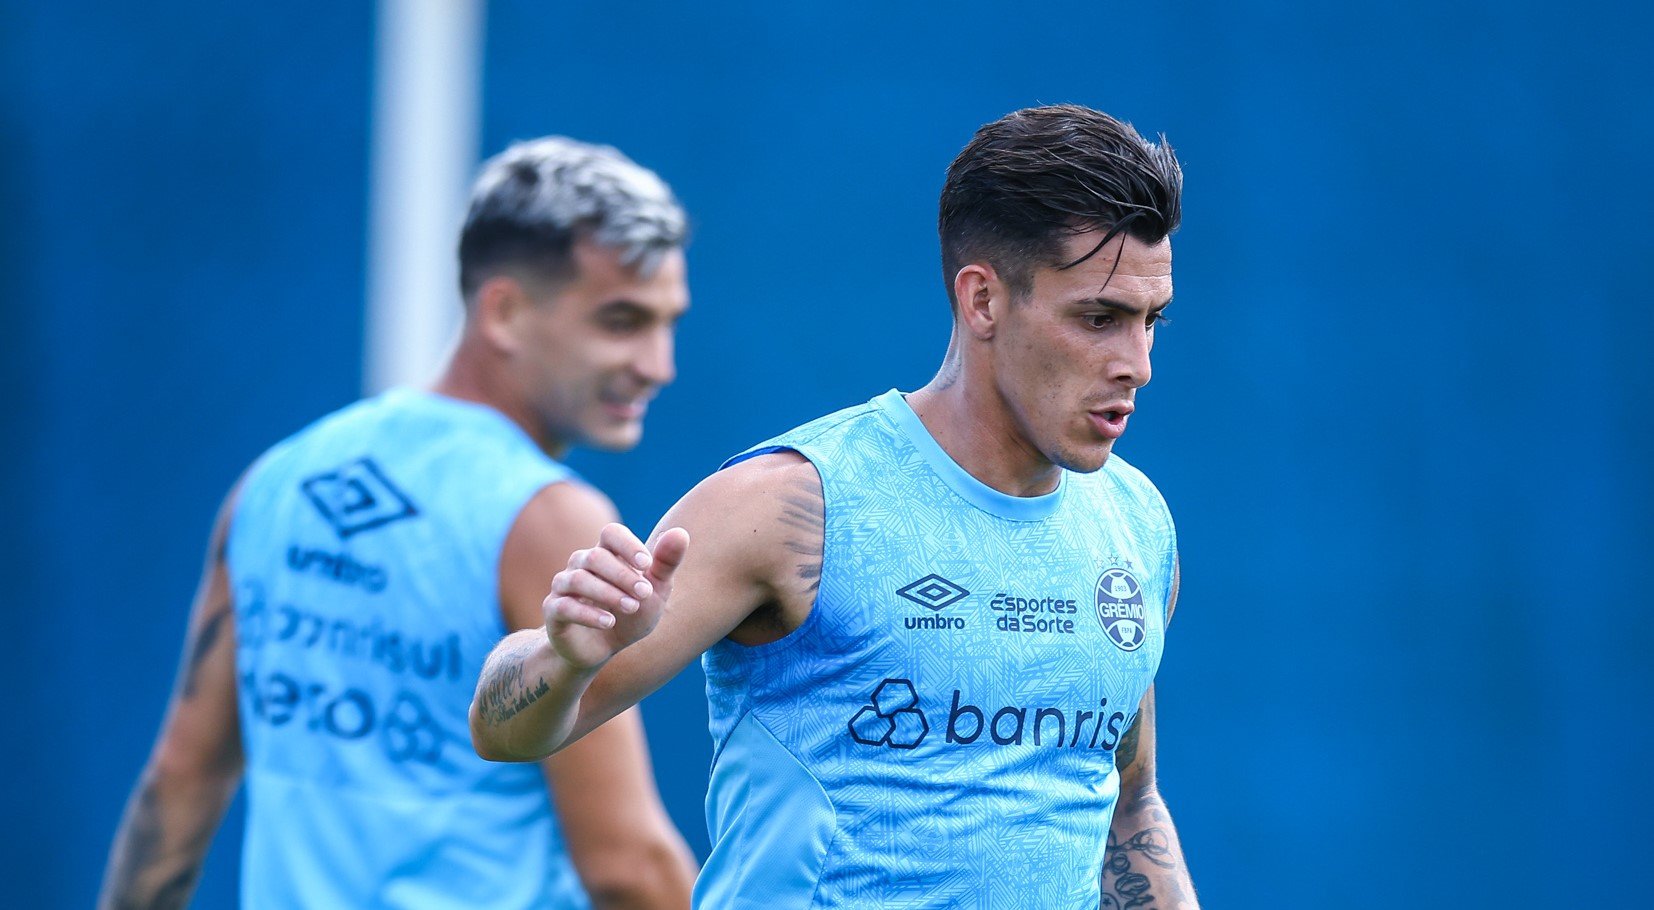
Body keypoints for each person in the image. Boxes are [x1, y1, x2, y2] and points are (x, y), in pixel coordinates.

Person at [470, 104, 1200, 909]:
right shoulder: (792, 503)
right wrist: (566, 658)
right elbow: (504, 730)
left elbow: (1128, 808)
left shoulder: (1134, 521)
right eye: (1099, 318)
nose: (1137, 363)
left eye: (1150, 321)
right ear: (983, 300)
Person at [101, 137, 699, 909]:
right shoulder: (551, 519)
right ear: (506, 312)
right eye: (621, 321)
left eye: (668, 322)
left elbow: (180, 782)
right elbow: (625, 865)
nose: (659, 364)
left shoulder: (279, 479)